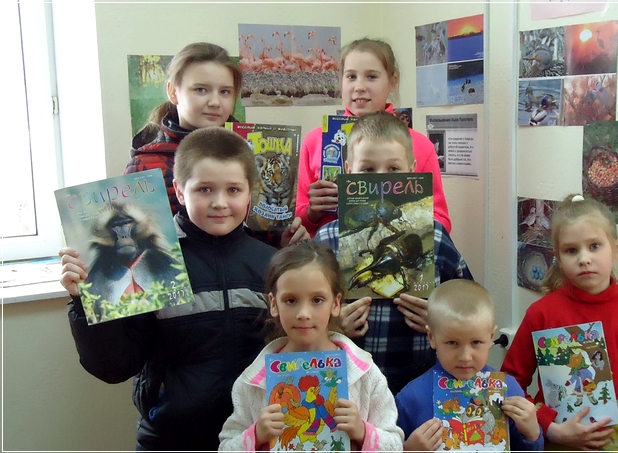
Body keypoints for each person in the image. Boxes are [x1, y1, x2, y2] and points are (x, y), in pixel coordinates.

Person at [59, 128, 280, 451]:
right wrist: (83, 301)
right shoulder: (147, 260)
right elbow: (114, 366)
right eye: (204, 189)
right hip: (170, 439)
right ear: (178, 190)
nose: (220, 202)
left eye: (233, 189)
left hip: (254, 438)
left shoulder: (272, 265)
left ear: (250, 193)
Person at [315, 111, 472, 394]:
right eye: (367, 170)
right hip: (348, 389)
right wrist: (332, 327)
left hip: (419, 386)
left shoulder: (436, 237)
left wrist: (440, 322)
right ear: (348, 171)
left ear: (412, 170)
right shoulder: (325, 241)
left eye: (393, 168)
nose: (382, 181)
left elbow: (471, 308)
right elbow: (302, 313)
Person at [501, 194, 618, 452]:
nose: (584, 258)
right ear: (557, 256)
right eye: (571, 250)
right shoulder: (541, 314)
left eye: (594, 246)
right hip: (553, 442)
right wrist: (549, 427)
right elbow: (508, 384)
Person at [218, 240, 404, 452]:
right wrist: (256, 435)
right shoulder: (252, 383)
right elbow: (226, 447)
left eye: (317, 300)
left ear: (336, 303)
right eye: (291, 300)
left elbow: (395, 445)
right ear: (274, 304)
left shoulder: (366, 375)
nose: (304, 314)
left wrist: (363, 432)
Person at [125, 41, 307, 247]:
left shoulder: (254, 152)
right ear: (173, 92)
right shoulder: (145, 165)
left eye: (225, 92)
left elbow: (262, 233)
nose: (215, 102)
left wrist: (283, 240)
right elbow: (141, 243)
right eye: (201, 90)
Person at [296, 37, 452, 237]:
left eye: (371, 76)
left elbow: (441, 221)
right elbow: (297, 218)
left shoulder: (420, 145)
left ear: (393, 82)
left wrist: (410, 212)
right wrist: (311, 212)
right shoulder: (315, 142)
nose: (359, 86)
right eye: (351, 76)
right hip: (327, 252)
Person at [395, 280, 544, 452]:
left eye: (476, 342)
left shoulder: (509, 390)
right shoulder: (411, 399)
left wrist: (533, 434)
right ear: (432, 338)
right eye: (452, 343)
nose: (465, 357)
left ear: (491, 337)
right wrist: (408, 450)